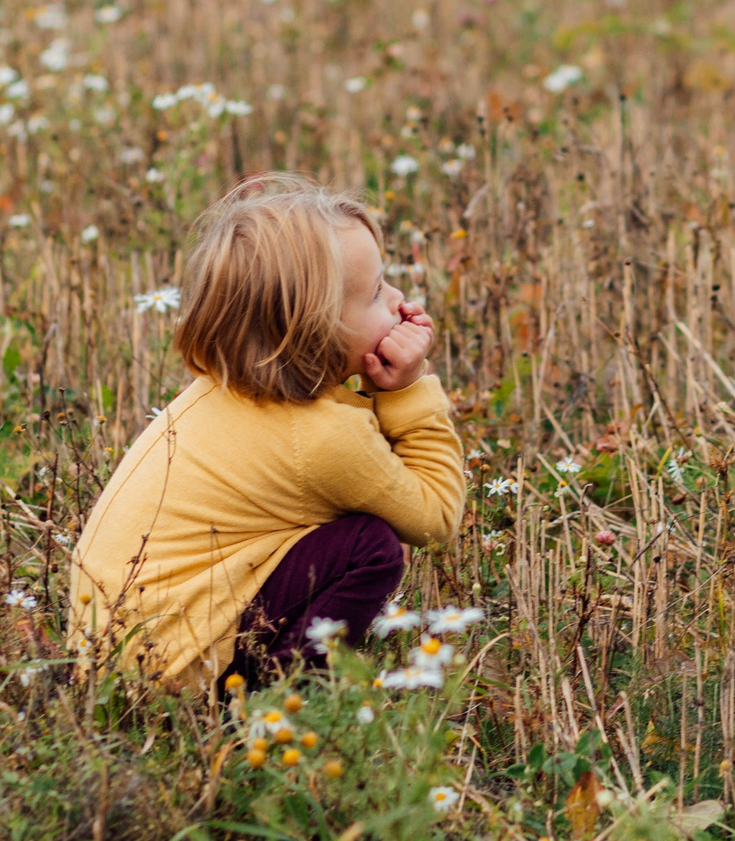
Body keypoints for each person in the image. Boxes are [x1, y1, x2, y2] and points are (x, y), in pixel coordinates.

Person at [68, 173, 465, 691]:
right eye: (373, 294)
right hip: (168, 666)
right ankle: (278, 694)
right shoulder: (322, 439)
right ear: (311, 328)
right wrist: (407, 390)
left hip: (109, 649)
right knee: (371, 547)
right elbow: (436, 517)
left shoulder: (221, 388)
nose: (398, 300)